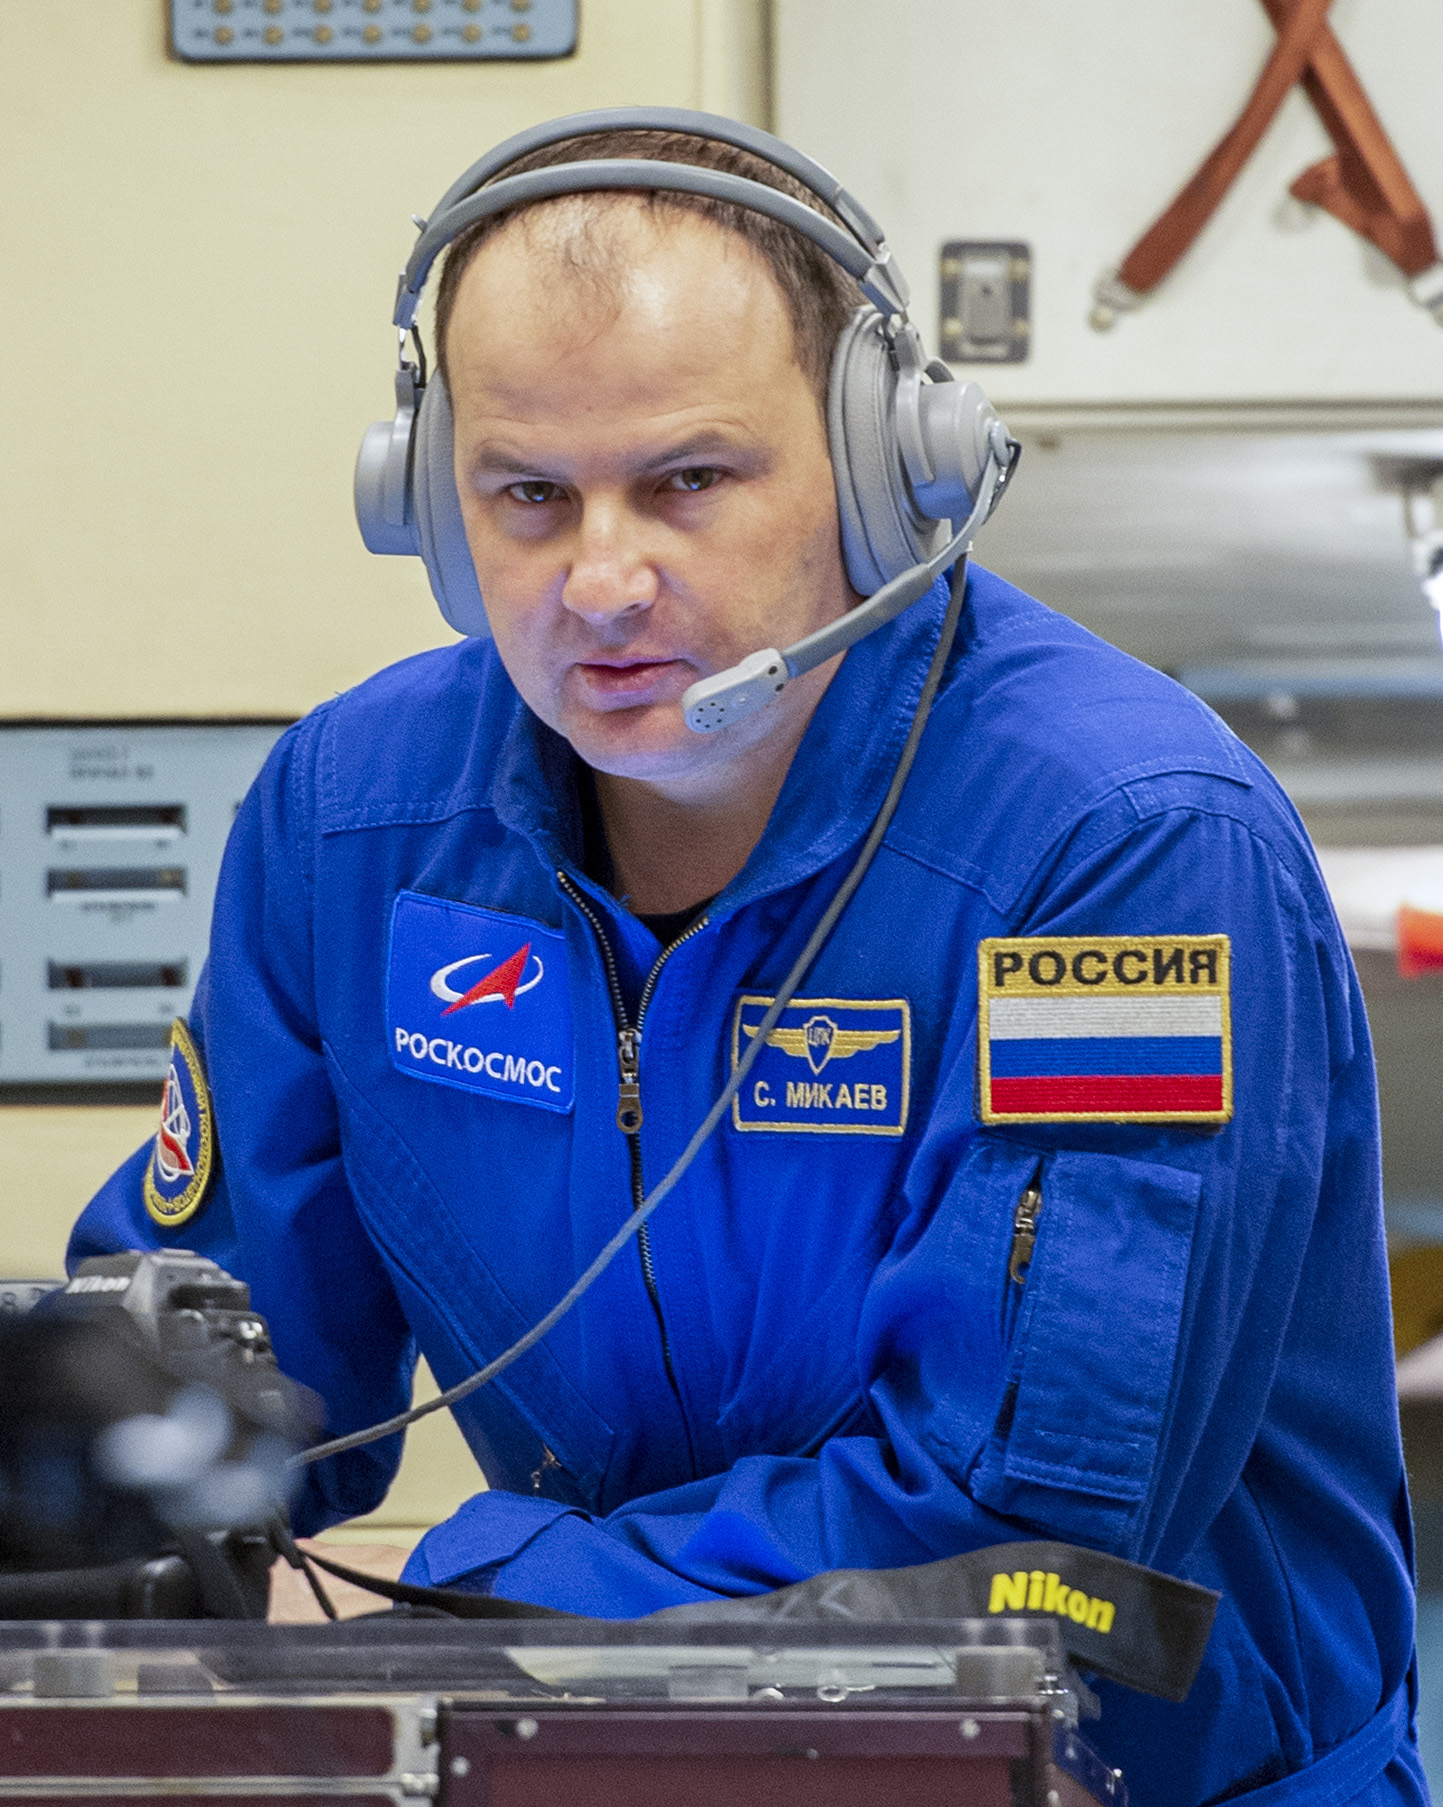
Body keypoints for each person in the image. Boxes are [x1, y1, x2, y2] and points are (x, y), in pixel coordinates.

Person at [70, 112, 1426, 1804]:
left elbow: (1026, 1536)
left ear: (886, 469)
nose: (602, 581)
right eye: (528, 495)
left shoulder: (1128, 849)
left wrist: (454, 1600)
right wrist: (83, 1495)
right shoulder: (353, 823)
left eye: (689, 482)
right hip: (602, 1757)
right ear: (427, 505)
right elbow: (226, 1384)